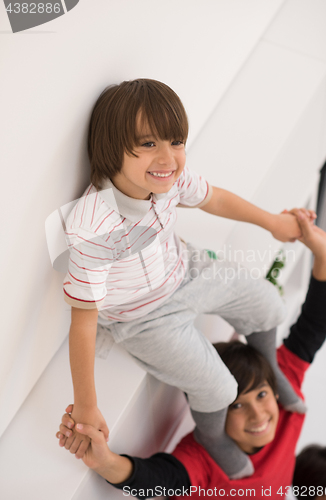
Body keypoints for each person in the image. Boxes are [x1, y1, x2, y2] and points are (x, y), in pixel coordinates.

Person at [62, 78, 312, 478]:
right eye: (148, 144)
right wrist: (86, 404)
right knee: (220, 389)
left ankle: (269, 368)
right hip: (141, 316)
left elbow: (212, 197)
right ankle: (213, 436)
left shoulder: (168, 179)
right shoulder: (95, 224)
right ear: (112, 148)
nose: (168, 158)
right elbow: (83, 320)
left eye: (175, 142)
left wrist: (273, 223)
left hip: (185, 269)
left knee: (269, 302)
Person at [57, 212, 326, 498]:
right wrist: (105, 462)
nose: (258, 414)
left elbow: (314, 327)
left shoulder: (287, 411)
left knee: (270, 310)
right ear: (215, 416)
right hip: (139, 300)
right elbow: (160, 478)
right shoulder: (204, 457)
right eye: (237, 406)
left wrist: (324, 250)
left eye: (262, 395)